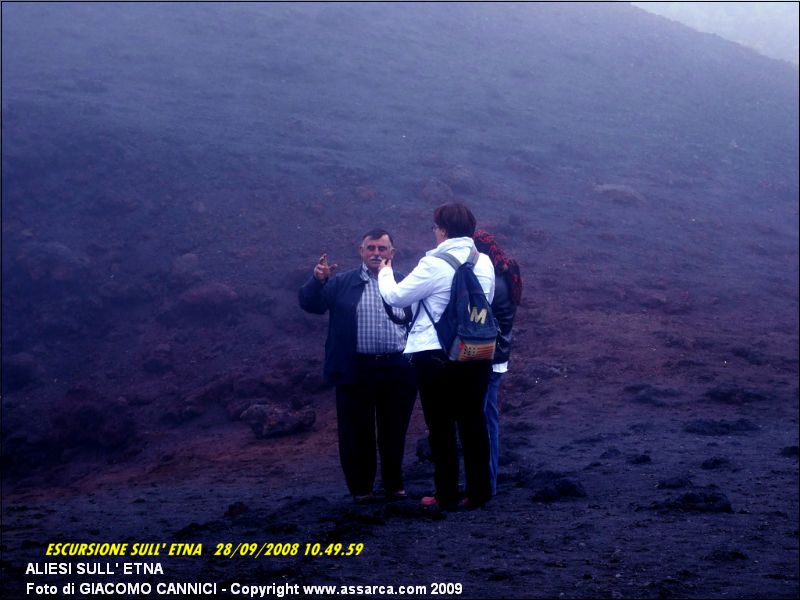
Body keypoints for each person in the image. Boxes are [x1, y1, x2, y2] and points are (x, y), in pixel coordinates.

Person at [378, 203, 495, 510]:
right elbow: (487, 303)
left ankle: (446, 494)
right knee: (473, 422)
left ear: (442, 230)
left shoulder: (434, 263)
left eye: (435, 228)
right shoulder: (483, 262)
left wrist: (385, 272)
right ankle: (479, 492)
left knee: (441, 425)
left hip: (435, 354)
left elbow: (396, 296)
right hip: (476, 350)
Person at [299, 229, 417, 503]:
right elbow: (311, 304)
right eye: (371, 248)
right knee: (356, 432)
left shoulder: (405, 283)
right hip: (355, 368)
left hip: (397, 369)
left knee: (394, 431)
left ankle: (394, 485)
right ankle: (361, 489)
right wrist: (317, 281)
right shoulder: (341, 282)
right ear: (361, 251)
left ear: (392, 253)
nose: (377, 253)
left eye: (382, 248)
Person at [473, 230, 522, 495]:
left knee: (484, 419)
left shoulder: (489, 278)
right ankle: (487, 481)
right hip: (498, 357)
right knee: (487, 417)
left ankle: (485, 483)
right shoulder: (504, 273)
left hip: (487, 358)